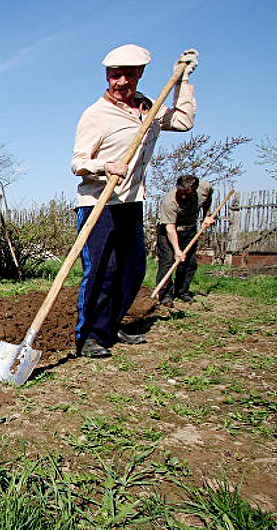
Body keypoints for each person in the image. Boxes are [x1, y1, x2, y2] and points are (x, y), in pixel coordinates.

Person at [71, 44, 198, 358]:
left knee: (132, 270)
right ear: (107, 75)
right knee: (103, 270)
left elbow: (183, 121)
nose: (121, 82)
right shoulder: (95, 114)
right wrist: (105, 166)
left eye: (129, 75)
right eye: (115, 75)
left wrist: (181, 80)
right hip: (97, 202)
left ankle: (111, 326)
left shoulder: (149, 108)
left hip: (131, 201)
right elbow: (77, 162)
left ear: (140, 75)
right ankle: (90, 336)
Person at [155, 174, 214, 306]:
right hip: (168, 232)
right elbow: (170, 228)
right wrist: (177, 250)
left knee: (189, 263)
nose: (182, 196)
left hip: (189, 230)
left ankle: (182, 291)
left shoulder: (204, 188)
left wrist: (207, 216)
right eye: (180, 192)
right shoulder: (169, 201)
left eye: (186, 194)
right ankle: (165, 295)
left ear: (195, 190)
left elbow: (208, 198)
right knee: (168, 262)